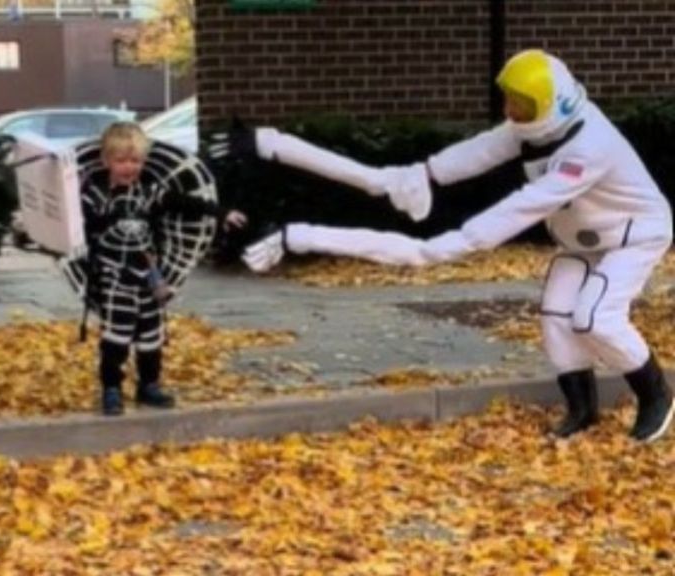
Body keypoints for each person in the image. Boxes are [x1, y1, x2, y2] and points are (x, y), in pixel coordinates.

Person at [239, 49, 674, 443]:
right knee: (557, 317)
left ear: (551, 106)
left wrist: (463, 241)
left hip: (635, 234)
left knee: (594, 316)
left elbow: (529, 203)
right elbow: (481, 151)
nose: (511, 110)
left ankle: (656, 395)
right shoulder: (534, 126)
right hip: (581, 240)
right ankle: (582, 411)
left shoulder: (589, 146)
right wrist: (425, 173)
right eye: (509, 100)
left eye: (520, 104)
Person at [82, 122, 247, 415]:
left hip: (148, 273)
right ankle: (111, 388)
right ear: (106, 160)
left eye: (136, 160)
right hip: (112, 272)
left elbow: (184, 202)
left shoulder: (149, 191)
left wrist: (221, 213)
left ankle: (149, 385)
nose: (129, 167)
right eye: (121, 161)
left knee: (151, 333)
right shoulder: (94, 194)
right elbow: (83, 226)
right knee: (117, 334)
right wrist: (108, 218)